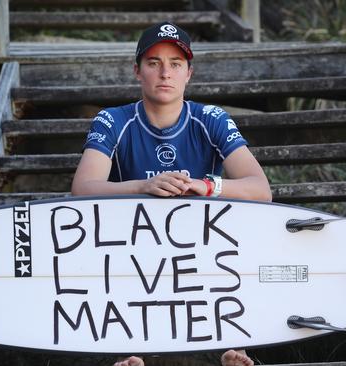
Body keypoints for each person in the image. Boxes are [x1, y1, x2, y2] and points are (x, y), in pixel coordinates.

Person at [71, 22, 270, 366]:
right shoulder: (113, 120)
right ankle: (129, 352)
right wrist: (143, 187)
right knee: (114, 253)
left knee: (231, 238)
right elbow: (82, 190)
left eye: (176, 63)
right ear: (137, 71)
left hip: (199, 247)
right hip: (130, 248)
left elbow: (260, 189)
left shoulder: (211, 119)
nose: (165, 73)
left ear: (189, 73)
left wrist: (206, 186)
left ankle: (228, 346)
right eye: (153, 63)